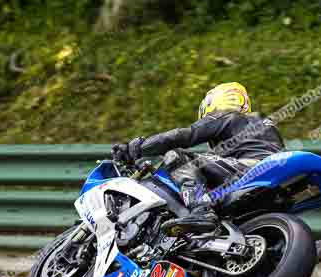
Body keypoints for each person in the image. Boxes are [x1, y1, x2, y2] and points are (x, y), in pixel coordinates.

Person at [112, 82, 285, 235]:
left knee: (177, 156)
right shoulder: (265, 123)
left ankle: (200, 210)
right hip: (271, 179)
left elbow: (183, 135)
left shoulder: (226, 116)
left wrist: (139, 147)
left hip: (247, 169)